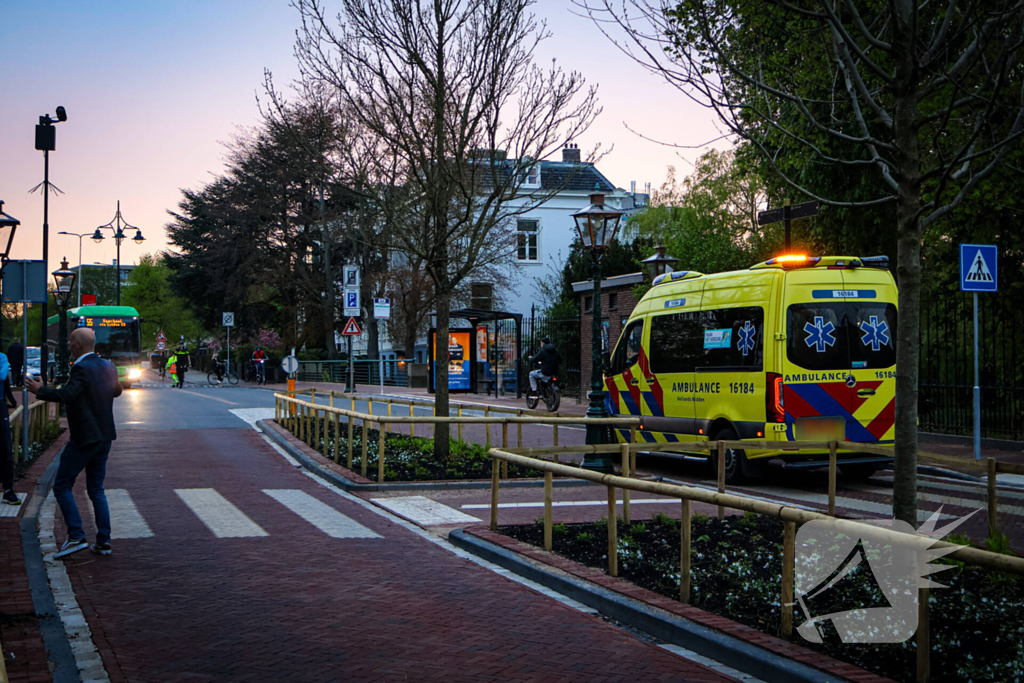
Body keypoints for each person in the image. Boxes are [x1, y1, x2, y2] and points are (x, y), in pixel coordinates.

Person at [26, 328, 122, 557]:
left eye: (70, 340)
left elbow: (68, 395)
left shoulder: (80, 367)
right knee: (96, 489)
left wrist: (41, 390)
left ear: (78, 344)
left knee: (61, 485)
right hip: (105, 435)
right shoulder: (108, 366)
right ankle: (103, 541)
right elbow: (116, 391)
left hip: (84, 437)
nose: (67, 344)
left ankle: (76, 535)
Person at [0, 348, 18, 506]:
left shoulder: (2, 358)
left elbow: (3, 376)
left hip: (0, 406)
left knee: (6, 447)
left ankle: (8, 489)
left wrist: (11, 401)